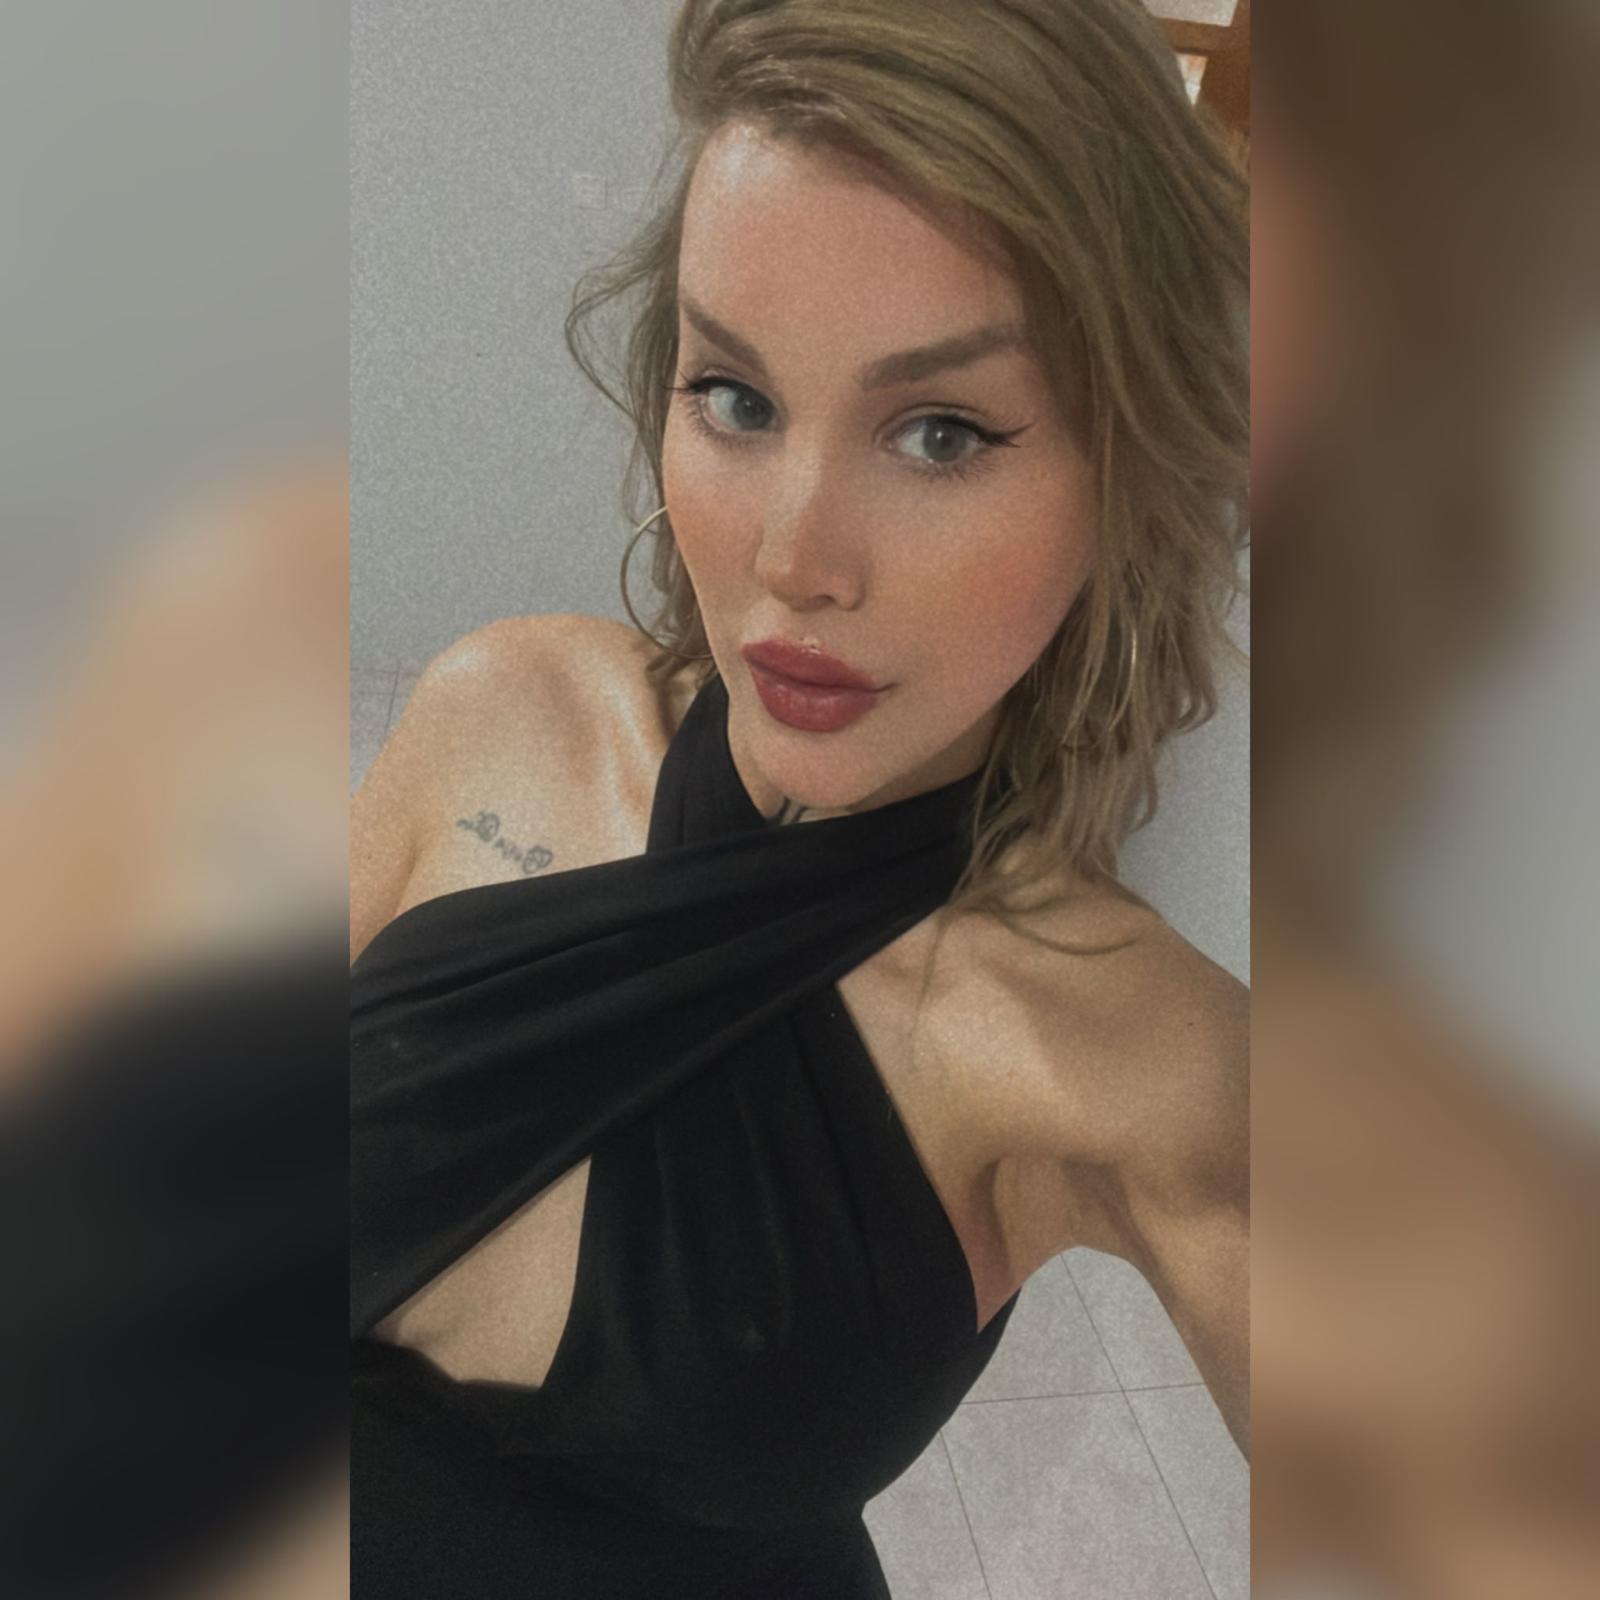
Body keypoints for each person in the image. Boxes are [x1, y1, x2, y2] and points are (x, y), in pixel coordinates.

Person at [349, 1, 1248, 1594]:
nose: (791, 558)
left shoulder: (1122, 1057)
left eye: (941, 432)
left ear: (1131, 470)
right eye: (738, 398)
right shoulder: (500, 710)